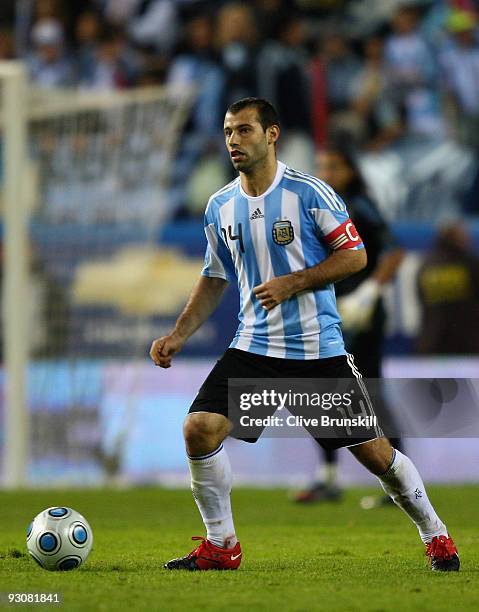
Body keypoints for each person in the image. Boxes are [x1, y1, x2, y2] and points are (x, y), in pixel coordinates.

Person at [149, 97, 459, 572]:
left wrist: (293, 282)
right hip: (253, 347)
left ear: (272, 134)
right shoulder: (220, 205)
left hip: (316, 351)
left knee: (376, 454)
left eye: (245, 130)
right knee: (199, 429)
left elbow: (354, 257)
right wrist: (179, 333)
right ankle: (221, 545)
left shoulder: (310, 193)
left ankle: (435, 533)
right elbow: (214, 277)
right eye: (229, 132)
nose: (234, 141)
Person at [293, 145, 404, 505]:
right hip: (327, 312)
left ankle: (399, 475)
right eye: (321, 165)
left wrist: (369, 292)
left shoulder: (359, 205)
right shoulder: (312, 208)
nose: (327, 173)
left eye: (335, 166)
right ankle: (328, 477)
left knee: (370, 393)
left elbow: (394, 251)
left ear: (351, 172)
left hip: (361, 313)